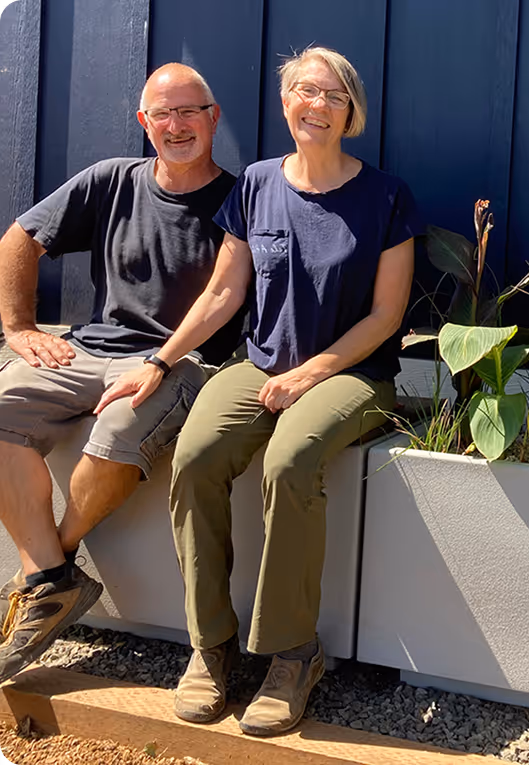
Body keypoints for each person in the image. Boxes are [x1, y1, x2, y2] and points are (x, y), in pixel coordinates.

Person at [95, 46, 423, 735]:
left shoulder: (386, 196)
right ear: (285, 103)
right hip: (261, 364)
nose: (317, 105)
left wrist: (309, 373)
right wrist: (160, 360)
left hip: (355, 375)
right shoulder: (256, 184)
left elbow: (386, 316)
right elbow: (223, 292)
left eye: (333, 95)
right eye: (306, 91)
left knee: (289, 460)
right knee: (195, 456)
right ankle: (211, 645)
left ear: (351, 112)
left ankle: (291, 652)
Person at [0, 63, 241, 683]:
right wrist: (19, 328)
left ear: (214, 118)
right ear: (144, 122)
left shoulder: (241, 199)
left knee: (113, 433)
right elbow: (19, 239)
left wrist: (161, 362)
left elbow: (227, 296)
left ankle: (46, 572)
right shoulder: (112, 179)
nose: (176, 125)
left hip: (180, 359)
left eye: (189, 111)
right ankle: (51, 578)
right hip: (87, 349)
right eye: (162, 114)